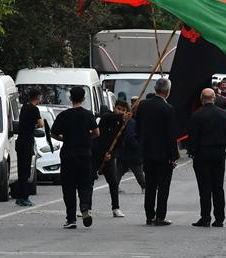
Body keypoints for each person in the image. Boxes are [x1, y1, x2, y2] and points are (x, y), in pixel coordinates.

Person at [52, 85, 99, 228]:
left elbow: (53, 134)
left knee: (69, 187)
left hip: (68, 155)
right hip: (85, 154)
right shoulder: (88, 114)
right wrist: (86, 138)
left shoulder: (63, 116)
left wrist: (64, 139)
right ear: (84, 98)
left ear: (70, 98)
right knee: (85, 184)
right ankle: (84, 207)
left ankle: (71, 219)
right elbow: (97, 133)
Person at [188, 88, 226, 227]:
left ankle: (205, 216)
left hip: (202, 153)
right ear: (214, 98)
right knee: (218, 186)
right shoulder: (224, 114)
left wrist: (192, 151)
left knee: (204, 187)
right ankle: (219, 218)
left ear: (202, 99)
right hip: (219, 152)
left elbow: (193, 137)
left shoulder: (197, 115)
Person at [136, 78, 178, 226]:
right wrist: (174, 156)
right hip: (164, 154)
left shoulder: (143, 106)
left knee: (150, 185)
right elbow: (171, 135)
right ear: (167, 91)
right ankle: (160, 216)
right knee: (163, 186)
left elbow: (138, 128)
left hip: (147, 152)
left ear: (155, 89)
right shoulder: (168, 109)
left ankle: (149, 215)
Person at [97, 94, 140, 218]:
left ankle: (115, 208)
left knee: (113, 183)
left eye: (123, 110)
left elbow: (120, 144)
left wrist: (112, 155)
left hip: (110, 156)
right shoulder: (106, 118)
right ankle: (86, 207)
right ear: (114, 108)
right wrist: (102, 153)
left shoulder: (124, 125)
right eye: (118, 109)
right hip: (98, 153)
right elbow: (98, 137)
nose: (120, 112)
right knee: (89, 181)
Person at [13, 89, 43, 207]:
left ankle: (20, 196)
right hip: (27, 143)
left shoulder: (24, 107)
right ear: (37, 97)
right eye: (40, 97)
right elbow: (41, 124)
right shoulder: (34, 109)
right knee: (26, 171)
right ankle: (24, 197)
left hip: (20, 142)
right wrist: (34, 124)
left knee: (21, 171)